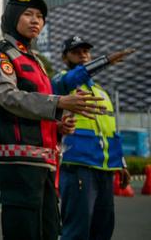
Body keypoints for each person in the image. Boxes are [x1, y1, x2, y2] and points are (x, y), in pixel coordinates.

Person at [0, 0, 105, 240]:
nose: (36, 20)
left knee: (49, 231)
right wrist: (59, 101)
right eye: (28, 14)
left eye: (40, 16)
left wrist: (57, 126)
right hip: (17, 159)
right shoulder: (1, 54)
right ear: (12, 17)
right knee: (24, 231)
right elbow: (8, 97)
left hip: (43, 161)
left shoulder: (36, 61)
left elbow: (36, 107)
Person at [51, 36, 132, 240]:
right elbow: (74, 77)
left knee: (103, 231)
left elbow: (111, 131)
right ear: (64, 57)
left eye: (86, 51)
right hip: (78, 168)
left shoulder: (101, 93)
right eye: (76, 52)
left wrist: (121, 163)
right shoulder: (61, 82)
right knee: (77, 232)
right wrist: (106, 60)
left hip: (105, 171)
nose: (83, 55)